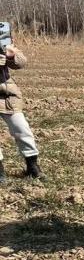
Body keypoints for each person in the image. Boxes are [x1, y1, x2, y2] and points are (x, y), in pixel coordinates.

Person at [0, 41, 41, 182]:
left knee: (22, 129)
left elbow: (21, 63)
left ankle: (32, 167)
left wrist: (11, 55)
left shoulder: (3, 39)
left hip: (7, 96)